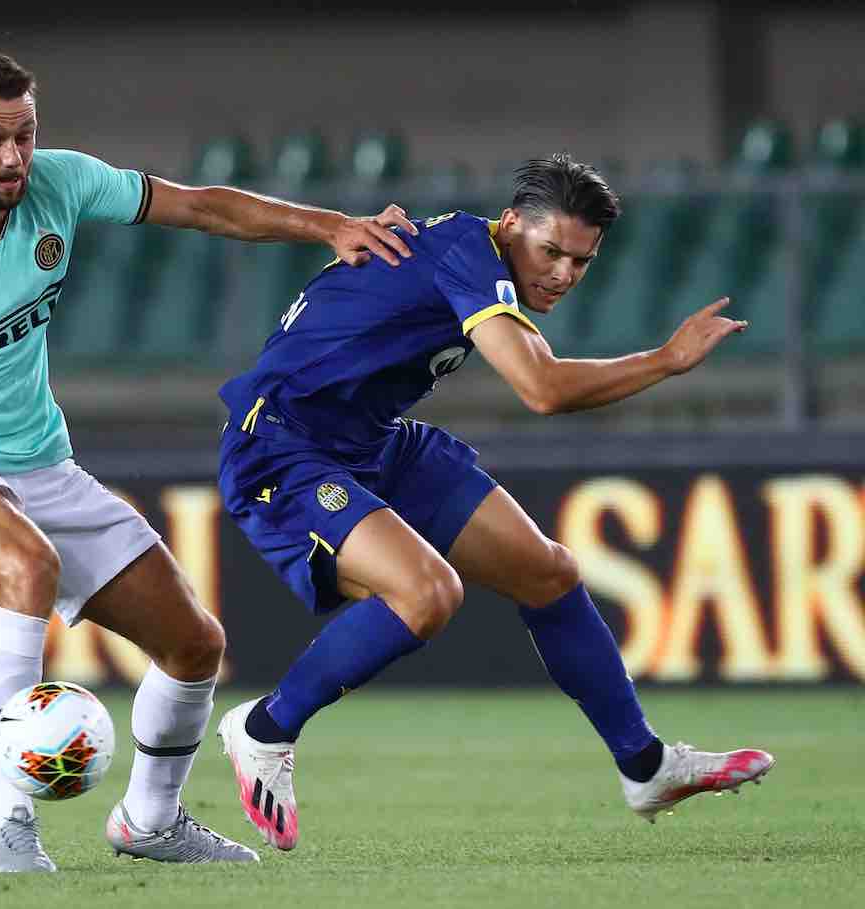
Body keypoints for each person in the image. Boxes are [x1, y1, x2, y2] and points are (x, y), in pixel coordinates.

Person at [0, 49, 416, 873]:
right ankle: (6, 826)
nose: (12, 158)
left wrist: (329, 225)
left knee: (195, 645)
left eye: (24, 136)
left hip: (41, 464)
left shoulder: (62, 182)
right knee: (26, 564)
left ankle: (150, 820)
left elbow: (201, 208)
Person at [214, 153, 776, 852]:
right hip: (282, 446)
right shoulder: (467, 255)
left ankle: (646, 764)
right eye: (552, 251)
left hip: (371, 442)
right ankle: (265, 729)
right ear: (511, 223)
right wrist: (666, 358)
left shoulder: (479, 260)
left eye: (582, 261)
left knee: (548, 571)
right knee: (426, 594)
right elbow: (542, 389)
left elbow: (544, 368)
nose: (565, 274)